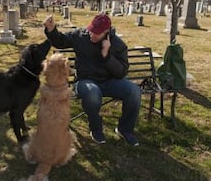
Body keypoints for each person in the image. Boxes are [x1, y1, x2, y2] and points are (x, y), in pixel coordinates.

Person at [43, 13, 141, 146]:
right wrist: (51, 29)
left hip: (109, 82)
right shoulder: (81, 36)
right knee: (92, 93)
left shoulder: (118, 45)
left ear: (107, 32)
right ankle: (96, 129)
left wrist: (106, 56)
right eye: (91, 30)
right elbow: (60, 41)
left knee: (134, 91)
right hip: (85, 81)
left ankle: (125, 130)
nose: (92, 34)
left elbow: (121, 72)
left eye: (97, 33)